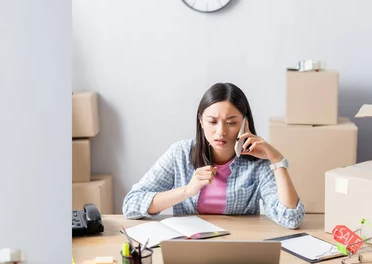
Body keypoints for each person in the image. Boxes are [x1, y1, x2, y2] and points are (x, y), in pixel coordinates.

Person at [123, 82, 305, 229]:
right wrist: (187, 190)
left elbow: (291, 218)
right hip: (190, 248)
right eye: (212, 122)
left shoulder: (257, 161)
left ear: (244, 123)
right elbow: (131, 205)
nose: (221, 132)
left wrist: (277, 160)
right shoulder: (180, 153)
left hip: (239, 248)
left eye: (231, 123)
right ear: (201, 121)